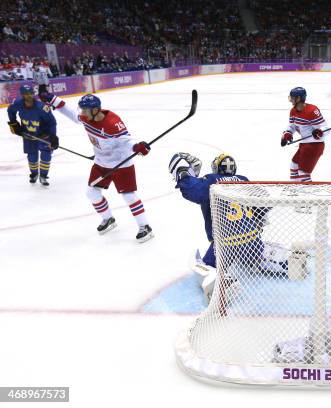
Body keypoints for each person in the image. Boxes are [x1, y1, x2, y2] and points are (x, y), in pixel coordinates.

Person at [170, 152, 287, 301]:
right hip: (251, 237)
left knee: (204, 265)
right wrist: (256, 219)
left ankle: (223, 285)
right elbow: (264, 204)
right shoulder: (244, 180)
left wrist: (183, 173)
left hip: (225, 242)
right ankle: (286, 262)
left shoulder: (212, 181)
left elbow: (193, 192)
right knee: (255, 253)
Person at [43, 93, 153, 241]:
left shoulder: (112, 123)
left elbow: (127, 141)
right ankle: (108, 219)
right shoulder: (87, 117)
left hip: (121, 164)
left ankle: (145, 226)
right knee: (92, 193)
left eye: (85, 110)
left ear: (95, 110)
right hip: (101, 163)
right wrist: (54, 100)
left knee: (128, 196)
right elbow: (71, 113)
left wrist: (137, 147)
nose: (82, 113)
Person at [7, 84, 58, 186]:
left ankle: (43, 175)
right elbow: (10, 110)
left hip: (44, 135)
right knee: (32, 156)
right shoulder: (17, 104)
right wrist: (13, 123)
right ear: (22, 95)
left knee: (46, 155)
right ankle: (34, 174)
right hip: (28, 135)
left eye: (31, 93)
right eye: (26, 94)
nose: (29, 96)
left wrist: (53, 136)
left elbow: (52, 122)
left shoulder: (42, 107)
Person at [281, 87, 327, 182]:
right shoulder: (293, 111)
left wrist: (320, 131)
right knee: (294, 165)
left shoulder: (312, 110)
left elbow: (325, 128)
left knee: (303, 173)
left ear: (299, 98)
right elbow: (292, 126)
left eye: (292, 98)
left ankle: (307, 195)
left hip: (314, 146)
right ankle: (295, 191)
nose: (291, 100)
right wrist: (287, 134)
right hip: (304, 144)